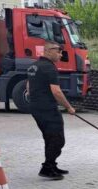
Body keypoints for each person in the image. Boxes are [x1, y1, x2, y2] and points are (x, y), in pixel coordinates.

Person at [27, 40, 75, 180]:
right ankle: (47, 168)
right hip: (47, 109)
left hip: (37, 108)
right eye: (58, 51)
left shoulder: (34, 66)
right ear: (48, 51)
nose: (60, 54)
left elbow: (29, 87)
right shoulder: (49, 68)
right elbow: (56, 91)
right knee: (57, 139)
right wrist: (69, 107)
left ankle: (52, 165)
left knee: (49, 137)